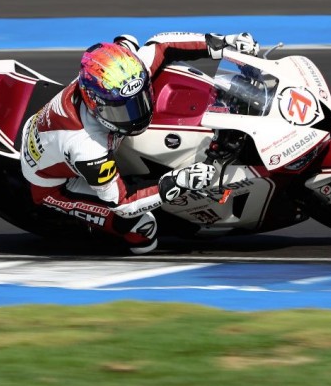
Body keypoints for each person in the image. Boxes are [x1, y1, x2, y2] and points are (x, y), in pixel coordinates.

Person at [20, 32, 260, 254]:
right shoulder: (87, 148)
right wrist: (179, 181)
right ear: (95, 104)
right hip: (57, 185)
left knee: (129, 42)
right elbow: (122, 203)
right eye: (122, 110)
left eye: (138, 101)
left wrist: (222, 43)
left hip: (61, 138)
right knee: (142, 227)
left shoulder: (123, 77)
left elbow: (162, 45)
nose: (135, 115)